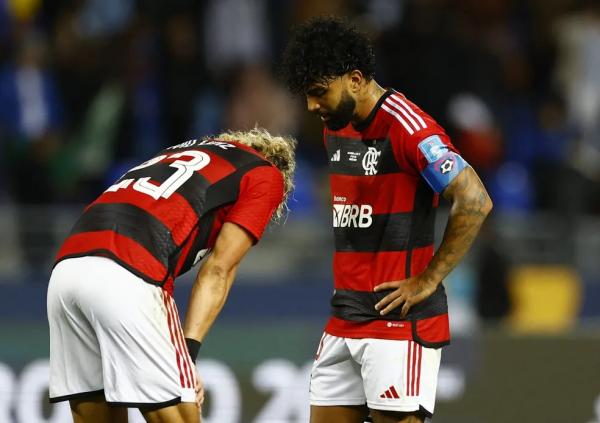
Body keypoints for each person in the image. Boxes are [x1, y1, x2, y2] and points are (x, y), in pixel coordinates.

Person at [280, 17, 492, 423]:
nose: (311, 106)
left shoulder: (409, 128)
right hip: (344, 317)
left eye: (319, 92)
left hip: (397, 325)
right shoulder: (335, 126)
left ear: (356, 79)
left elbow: (475, 200)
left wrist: (428, 280)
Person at [47, 128, 296, 423]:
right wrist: (187, 356)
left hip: (66, 270)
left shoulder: (177, 152)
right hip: (129, 270)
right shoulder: (266, 174)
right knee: (181, 412)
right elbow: (218, 270)